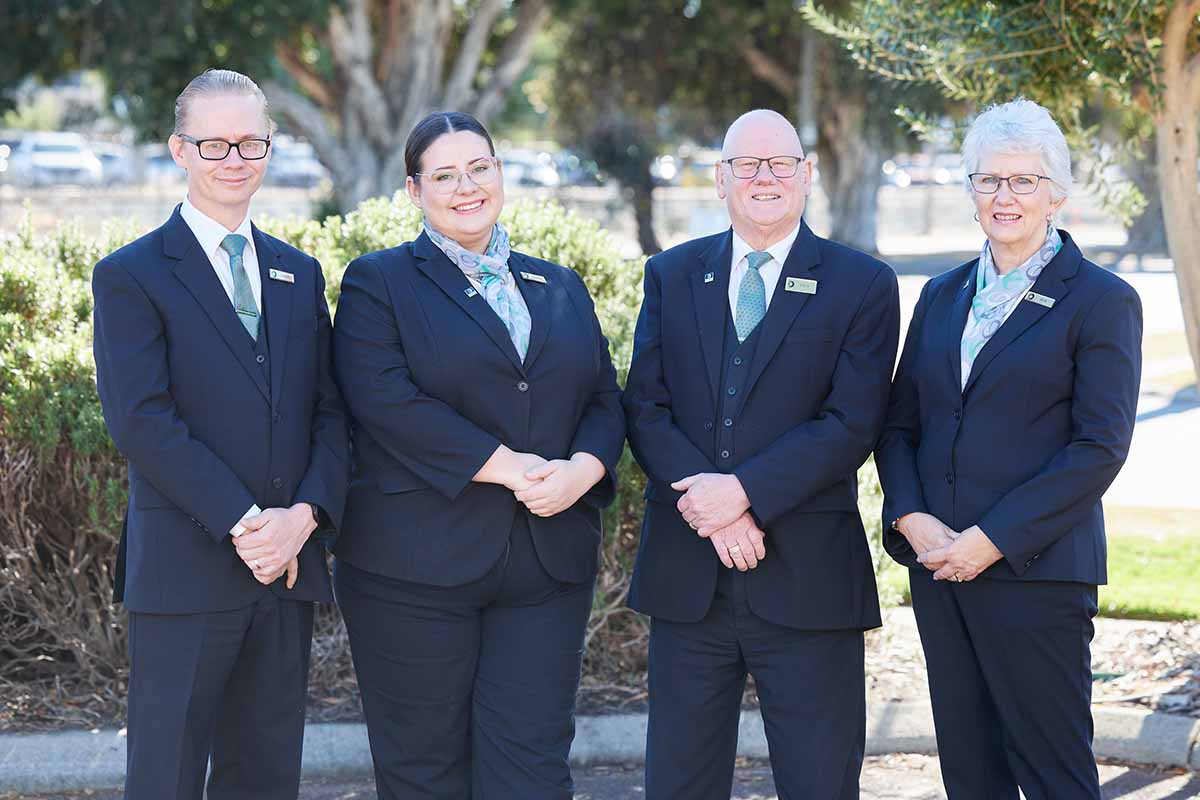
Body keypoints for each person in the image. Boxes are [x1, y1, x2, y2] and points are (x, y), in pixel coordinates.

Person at [331, 110, 625, 799]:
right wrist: (510, 467)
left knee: (533, 768)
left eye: (480, 168)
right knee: (425, 772)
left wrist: (584, 471)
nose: (467, 187)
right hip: (413, 572)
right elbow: (384, 400)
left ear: (499, 173)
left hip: (545, 566)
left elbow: (605, 400)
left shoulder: (561, 285)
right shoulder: (379, 283)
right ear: (413, 190)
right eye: (444, 174)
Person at [622, 108, 901, 799]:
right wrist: (714, 509)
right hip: (689, 582)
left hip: (810, 582)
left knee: (820, 783)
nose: (764, 177)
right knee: (679, 785)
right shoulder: (672, 274)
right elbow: (646, 408)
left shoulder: (861, 284)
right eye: (747, 164)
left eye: (781, 163)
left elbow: (851, 424)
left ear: (807, 176)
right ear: (720, 180)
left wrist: (741, 492)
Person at [875, 98, 1143, 800]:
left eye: (1024, 181)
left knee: (1054, 776)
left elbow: (1100, 446)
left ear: (1056, 191)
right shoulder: (939, 295)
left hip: (1038, 576)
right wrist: (910, 518)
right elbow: (900, 425)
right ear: (969, 191)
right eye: (989, 180)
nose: (1006, 196)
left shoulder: (1101, 300)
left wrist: (991, 539)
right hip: (940, 573)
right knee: (971, 775)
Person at [92, 69, 348, 800]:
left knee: (266, 776)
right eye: (214, 144)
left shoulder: (299, 273)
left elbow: (330, 413)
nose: (235, 158)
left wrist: (302, 519)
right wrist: (247, 526)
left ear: (270, 148)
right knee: (167, 777)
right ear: (179, 150)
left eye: (251, 142)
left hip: (287, 569)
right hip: (185, 570)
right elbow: (141, 420)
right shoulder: (132, 275)